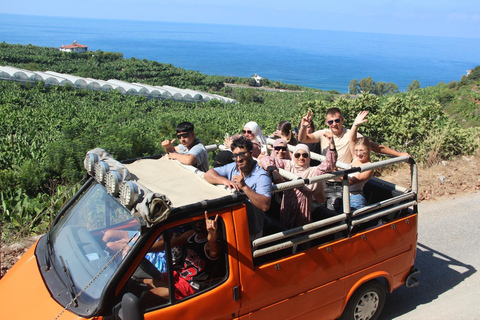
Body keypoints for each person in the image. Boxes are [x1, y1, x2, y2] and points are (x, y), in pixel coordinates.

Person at [259, 134, 337, 229]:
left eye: (305, 155)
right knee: (287, 231)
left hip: (304, 207)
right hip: (287, 205)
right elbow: (265, 159)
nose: (301, 158)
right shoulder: (288, 165)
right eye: (297, 155)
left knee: (302, 232)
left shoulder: (313, 171)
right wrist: (273, 170)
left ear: (309, 157)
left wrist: (332, 146)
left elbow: (329, 165)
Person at [141, 212, 223, 301]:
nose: (199, 224)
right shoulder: (191, 235)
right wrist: (143, 248)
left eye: (203, 222)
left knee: (148, 295)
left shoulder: (209, 245)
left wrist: (212, 233)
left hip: (191, 285)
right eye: (198, 221)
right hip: (179, 275)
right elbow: (166, 244)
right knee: (145, 282)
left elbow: (213, 248)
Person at [204, 136, 271, 240]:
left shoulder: (261, 176)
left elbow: (265, 205)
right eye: (235, 156)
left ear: (251, 154)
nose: (239, 159)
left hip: (249, 232)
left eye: (242, 154)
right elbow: (208, 174)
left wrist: (244, 186)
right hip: (231, 227)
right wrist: (225, 181)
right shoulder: (232, 167)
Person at [298, 108, 410, 164]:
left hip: (342, 179)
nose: (334, 124)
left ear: (342, 120)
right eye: (331, 122)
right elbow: (303, 139)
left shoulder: (350, 134)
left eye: (337, 120)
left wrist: (399, 154)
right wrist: (303, 127)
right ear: (327, 123)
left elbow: (373, 146)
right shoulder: (323, 133)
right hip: (324, 178)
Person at [345, 111, 374, 211]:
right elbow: (351, 139)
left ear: (369, 150)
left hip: (356, 200)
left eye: (362, 150)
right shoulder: (356, 158)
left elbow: (351, 182)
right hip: (346, 196)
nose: (358, 153)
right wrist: (355, 124)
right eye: (356, 150)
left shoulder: (368, 166)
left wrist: (334, 171)